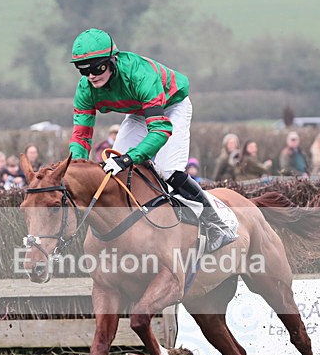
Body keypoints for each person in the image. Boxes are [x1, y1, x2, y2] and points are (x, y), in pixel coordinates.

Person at [67, 28, 234, 251]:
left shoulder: (140, 74)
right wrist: (76, 169)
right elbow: (81, 136)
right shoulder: (85, 89)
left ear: (112, 60)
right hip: (137, 112)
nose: (92, 75)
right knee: (112, 171)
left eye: (98, 67)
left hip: (172, 106)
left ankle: (216, 224)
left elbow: (160, 129)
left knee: (167, 170)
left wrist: (129, 158)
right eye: (83, 70)